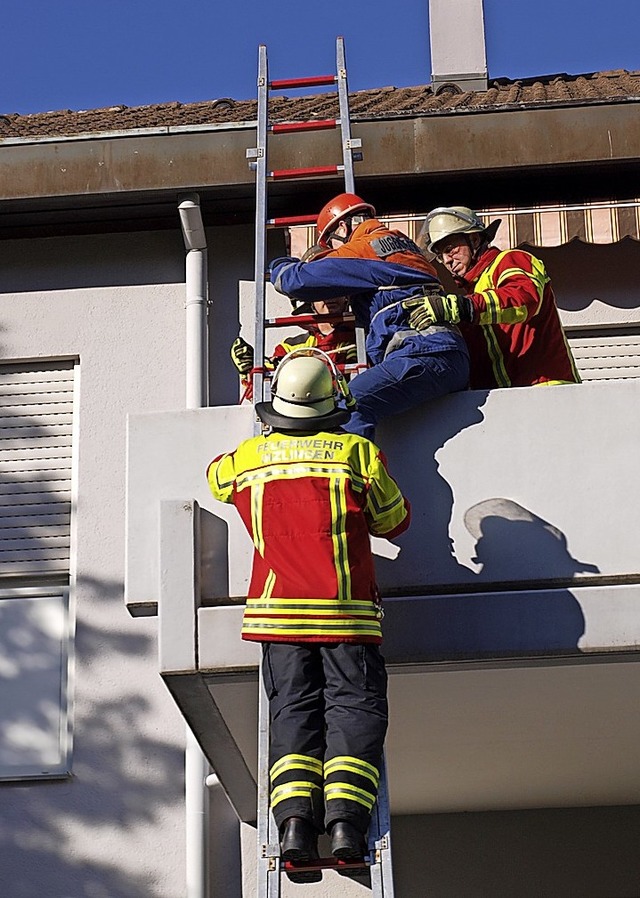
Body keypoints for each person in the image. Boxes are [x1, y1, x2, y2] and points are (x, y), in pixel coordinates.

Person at [207, 349, 410, 883]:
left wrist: (250, 401)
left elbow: (216, 478)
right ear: (332, 400)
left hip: (278, 614)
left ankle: (294, 826)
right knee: (354, 711)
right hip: (345, 610)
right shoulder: (356, 453)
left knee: (291, 712)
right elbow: (395, 520)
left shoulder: (249, 457)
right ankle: (347, 827)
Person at [269, 193, 470, 440]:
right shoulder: (403, 244)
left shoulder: (365, 248)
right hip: (441, 354)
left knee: (346, 409)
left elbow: (293, 281)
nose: (332, 250)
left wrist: (280, 264)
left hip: (424, 356)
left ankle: (360, 479)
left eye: (330, 243)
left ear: (342, 227)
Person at [406, 205, 581, 389]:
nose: (447, 260)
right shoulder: (470, 299)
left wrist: (463, 307)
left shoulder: (511, 260)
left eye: (450, 249)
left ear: (473, 239)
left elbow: (523, 299)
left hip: (550, 393)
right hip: (505, 405)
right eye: (441, 256)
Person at [230, 295, 357, 400]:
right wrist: (249, 370)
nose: (330, 298)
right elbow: (268, 391)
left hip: (346, 410)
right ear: (311, 303)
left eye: (337, 291)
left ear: (347, 298)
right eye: (321, 293)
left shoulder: (362, 339)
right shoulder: (290, 346)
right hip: (301, 415)